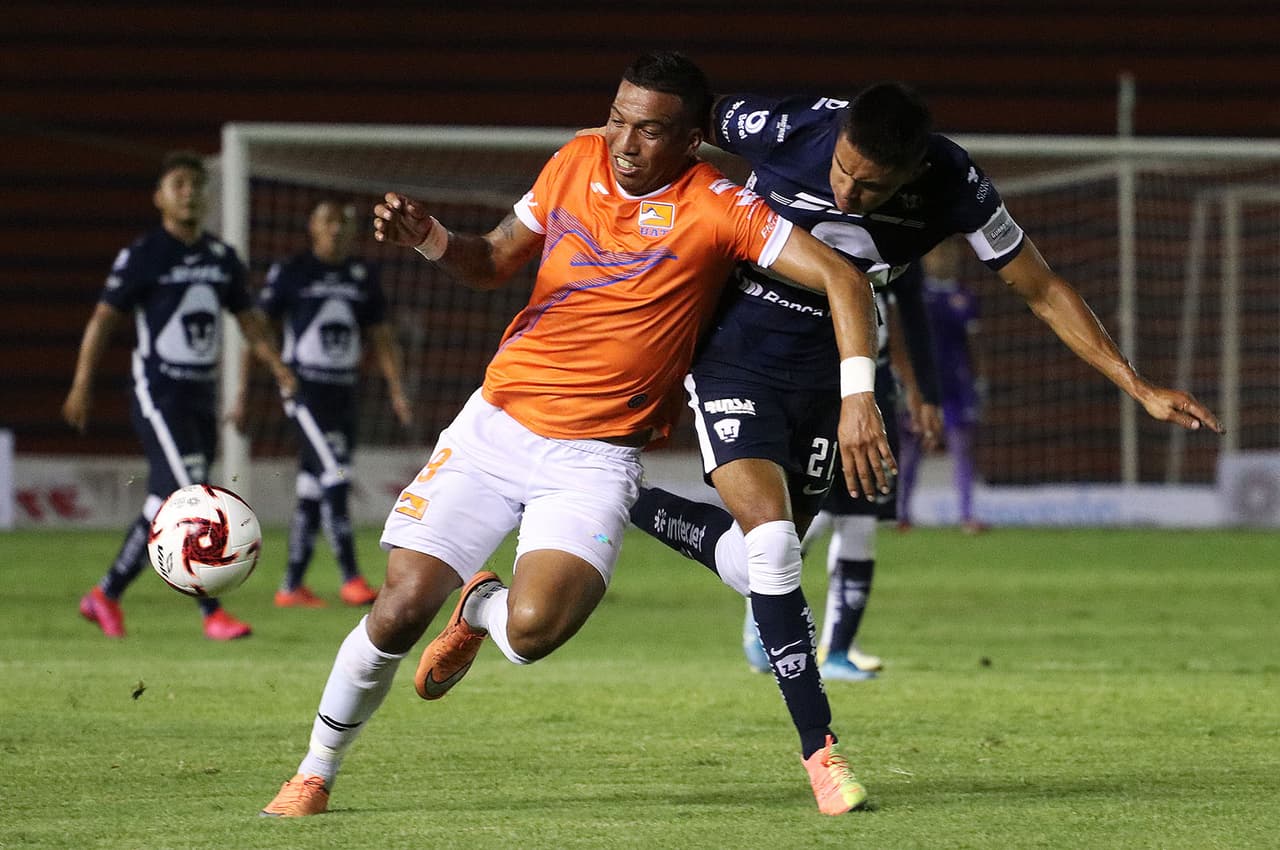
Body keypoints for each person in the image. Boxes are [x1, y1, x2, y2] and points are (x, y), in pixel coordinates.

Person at [261, 51, 892, 820]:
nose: (624, 142)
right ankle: (314, 773)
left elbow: (842, 277)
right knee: (398, 608)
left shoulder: (719, 207)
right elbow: (492, 259)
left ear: (691, 140)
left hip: (596, 459)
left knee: (530, 636)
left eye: (649, 130)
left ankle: (483, 608)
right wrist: (430, 238)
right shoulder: (573, 161)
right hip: (497, 426)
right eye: (618, 118)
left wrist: (859, 395)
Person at [629, 82, 1224, 684]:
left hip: (833, 370)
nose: (847, 193)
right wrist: (608, 160)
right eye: (842, 173)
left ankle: (629, 498)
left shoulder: (953, 181)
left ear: (912, 171)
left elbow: (1040, 288)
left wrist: (1137, 383)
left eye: (871, 188)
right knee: (772, 546)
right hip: (737, 349)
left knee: (766, 561)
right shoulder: (787, 127)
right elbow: (672, 119)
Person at [64, 150, 295, 640]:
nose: (190, 192)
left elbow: (249, 322)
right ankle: (212, 613)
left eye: (196, 184)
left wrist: (277, 369)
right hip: (158, 391)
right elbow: (104, 319)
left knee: (161, 499)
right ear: (159, 198)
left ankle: (104, 595)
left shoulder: (220, 258)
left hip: (200, 394)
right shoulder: (144, 255)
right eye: (178, 185)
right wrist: (82, 384)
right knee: (190, 494)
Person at [233, 199, 412, 608]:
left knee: (313, 485)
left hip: (345, 391)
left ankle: (291, 585)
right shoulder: (292, 272)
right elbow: (258, 332)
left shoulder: (363, 276)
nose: (337, 229)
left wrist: (397, 389)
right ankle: (351, 578)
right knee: (335, 474)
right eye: (329, 221)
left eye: (344, 222)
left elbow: (381, 336)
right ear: (312, 227)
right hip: (304, 389)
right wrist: (245, 392)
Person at [895, 237, 987, 533]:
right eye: (937, 253)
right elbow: (902, 340)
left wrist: (980, 380)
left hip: (957, 386)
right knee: (911, 449)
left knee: (962, 447)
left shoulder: (965, 296)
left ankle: (966, 515)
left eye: (949, 253)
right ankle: (901, 513)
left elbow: (974, 344)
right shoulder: (915, 293)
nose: (944, 259)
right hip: (921, 386)